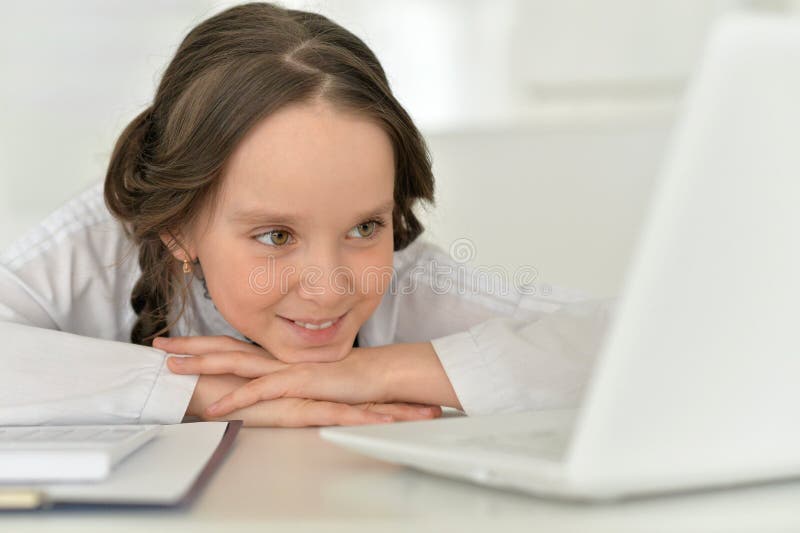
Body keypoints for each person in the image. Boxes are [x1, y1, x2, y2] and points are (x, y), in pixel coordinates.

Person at [0, 2, 612, 428]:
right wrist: (203, 393)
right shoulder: (90, 249)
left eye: (364, 227)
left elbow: (626, 342)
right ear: (178, 225)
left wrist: (378, 371)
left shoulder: (406, 281)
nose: (328, 286)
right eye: (275, 235)